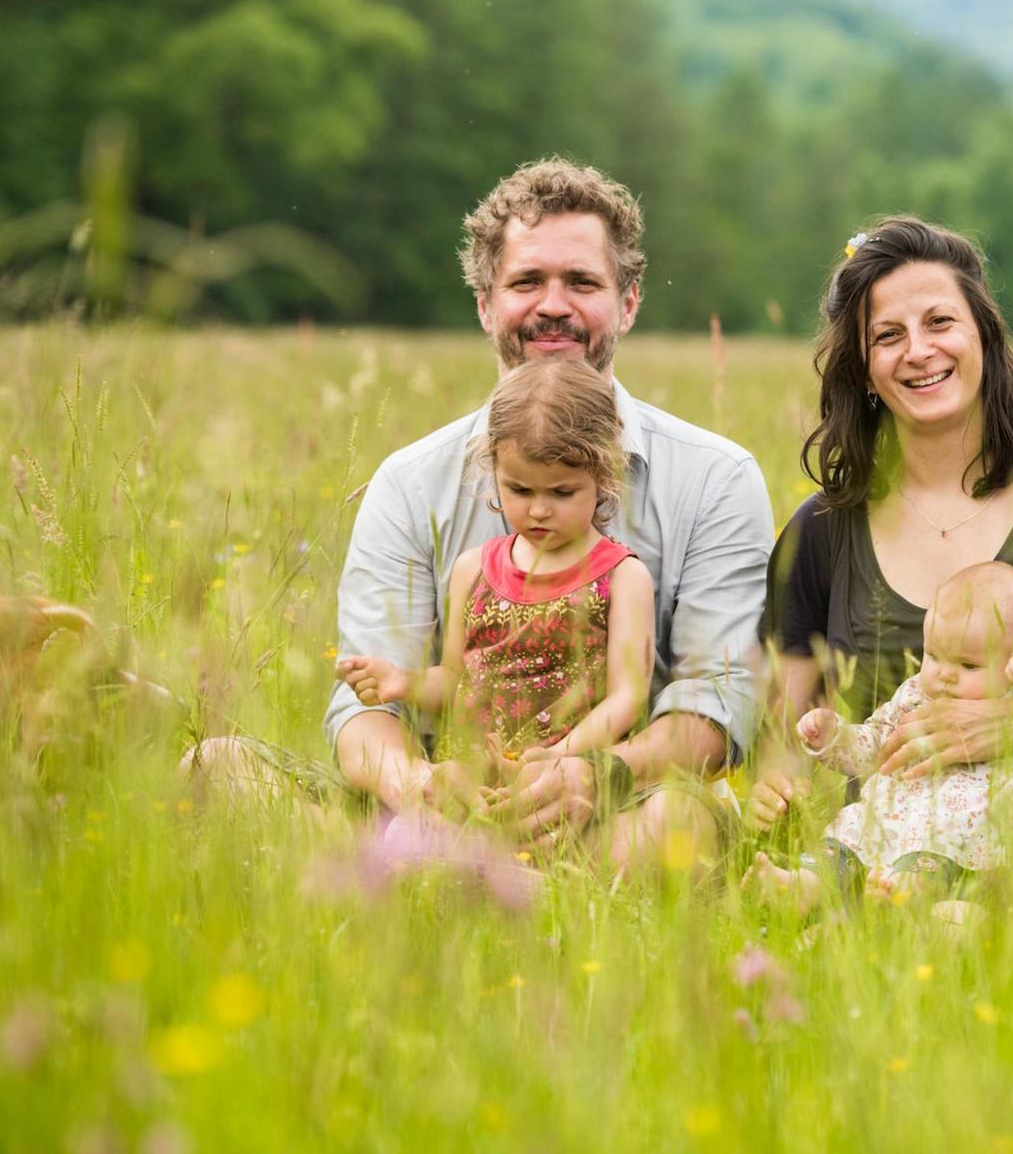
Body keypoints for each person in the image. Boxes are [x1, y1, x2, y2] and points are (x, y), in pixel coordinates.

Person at [187, 158, 773, 871]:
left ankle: (474, 891)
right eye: (526, 282)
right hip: (444, 809)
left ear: (627, 301)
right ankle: (435, 874)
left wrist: (597, 773)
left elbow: (717, 705)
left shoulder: (716, 477)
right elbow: (366, 712)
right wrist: (419, 785)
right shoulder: (409, 483)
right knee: (216, 766)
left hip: (618, 808)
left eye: (582, 283)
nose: (552, 305)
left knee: (678, 825)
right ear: (485, 304)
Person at [751, 216, 1013, 832]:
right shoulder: (820, 531)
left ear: (982, 333)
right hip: (879, 875)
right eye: (888, 336)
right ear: (864, 370)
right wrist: (779, 792)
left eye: (939, 322)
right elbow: (782, 746)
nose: (918, 351)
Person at [333, 359, 654, 799]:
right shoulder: (473, 569)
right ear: (494, 472)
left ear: (604, 476)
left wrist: (563, 755)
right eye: (519, 490)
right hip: (467, 780)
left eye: (562, 492)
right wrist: (401, 681)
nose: (539, 509)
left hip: (565, 784)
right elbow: (455, 680)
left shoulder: (621, 577)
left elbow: (628, 697)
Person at [744, 562, 1013, 914]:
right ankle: (803, 886)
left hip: (975, 834)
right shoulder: (916, 695)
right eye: (934, 655)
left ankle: (905, 900)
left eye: (968, 666)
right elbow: (876, 746)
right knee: (845, 837)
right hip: (892, 821)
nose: (945, 675)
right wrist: (833, 738)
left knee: (933, 850)